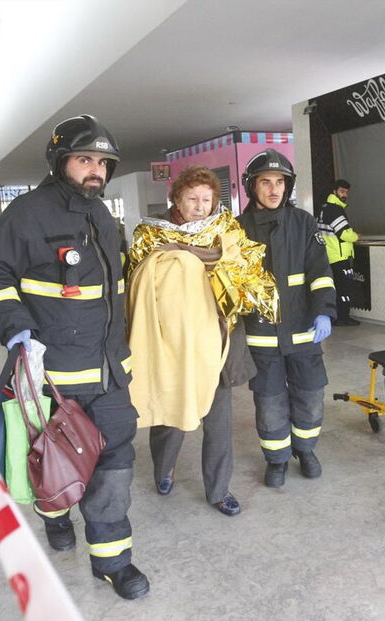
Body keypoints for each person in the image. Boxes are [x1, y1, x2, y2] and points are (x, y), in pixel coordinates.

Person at [0, 114, 149, 600]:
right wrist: (15, 328)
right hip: (52, 376)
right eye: (84, 159)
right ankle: (54, 514)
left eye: (103, 162)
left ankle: (113, 561)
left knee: (114, 466)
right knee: (53, 460)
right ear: (60, 160)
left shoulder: (103, 217)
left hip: (110, 374)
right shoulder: (26, 215)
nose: (96, 169)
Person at [126, 166, 266, 516]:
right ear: (177, 198)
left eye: (206, 200)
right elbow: (136, 280)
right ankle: (164, 469)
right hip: (170, 343)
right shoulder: (152, 233)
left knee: (218, 421)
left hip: (217, 343)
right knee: (170, 415)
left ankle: (219, 490)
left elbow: (244, 274)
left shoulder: (227, 232)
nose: (200, 206)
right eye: (192, 198)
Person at [237, 148, 336, 488]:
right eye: (266, 182)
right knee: (270, 403)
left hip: (304, 333)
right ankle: (277, 459)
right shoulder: (238, 229)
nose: (274, 189)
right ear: (253, 187)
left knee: (310, 397)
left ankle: (306, 450)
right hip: (262, 338)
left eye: (280, 182)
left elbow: (320, 273)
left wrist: (323, 311)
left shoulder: (303, 222)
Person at [317, 179, 362, 326]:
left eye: (347, 192)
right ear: (334, 191)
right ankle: (343, 317)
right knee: (344, 289)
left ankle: (333, 316)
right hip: (339, 256)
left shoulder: (323, 208)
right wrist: (356, 236)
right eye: (342, 191)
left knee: (333, 288)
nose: (345, 195)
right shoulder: (335, 209)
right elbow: (344, 234)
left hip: (328, 256)